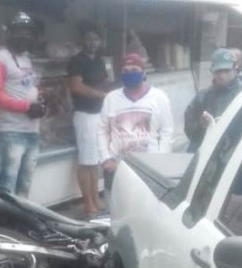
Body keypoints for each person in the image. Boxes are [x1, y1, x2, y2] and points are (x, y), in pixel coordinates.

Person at [0, 11, 45, 197]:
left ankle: (21, 222)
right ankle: (4, 223)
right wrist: (27, 107)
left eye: (28, 33)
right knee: (8, 183)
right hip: (12, 131)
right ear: (9, 33)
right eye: (20, 32)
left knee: (25, 183)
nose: (25, 37)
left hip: (32, 130)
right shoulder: (0, 59)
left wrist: (41, 99)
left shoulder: (25, 58)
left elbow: (26, 88)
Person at [98, 53, 173, 197]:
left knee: (146, 208)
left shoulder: (159, 98)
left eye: (134, 70)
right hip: (117, 166)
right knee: (116, 210)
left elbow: (167, 131)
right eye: (125, 71)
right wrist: (106, 158)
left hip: (149, 168)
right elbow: (102, 130)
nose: (129, 74)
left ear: (144, 73)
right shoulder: (111, 98)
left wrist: (160, 159)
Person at [67, 23, 108, 219]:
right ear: (83, 40)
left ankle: (95, 197)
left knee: (96, 160)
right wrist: (101, 94)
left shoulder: (99, 61)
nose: (92, 42)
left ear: (100, 42)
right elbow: (76, 87)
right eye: (89, 38)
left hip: (99, 114)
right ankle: (87, 202)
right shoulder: (76, 61)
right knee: (86, 161)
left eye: (96, 39)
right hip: (84, 115)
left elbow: (105, 82)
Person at [184, 48, 242, 153]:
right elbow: (190, 131)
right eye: (218, 71)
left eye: (226, 71)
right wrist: (201, 126)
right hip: (204, 153)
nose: (221, 75)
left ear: (235, 69)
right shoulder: (203, 97)